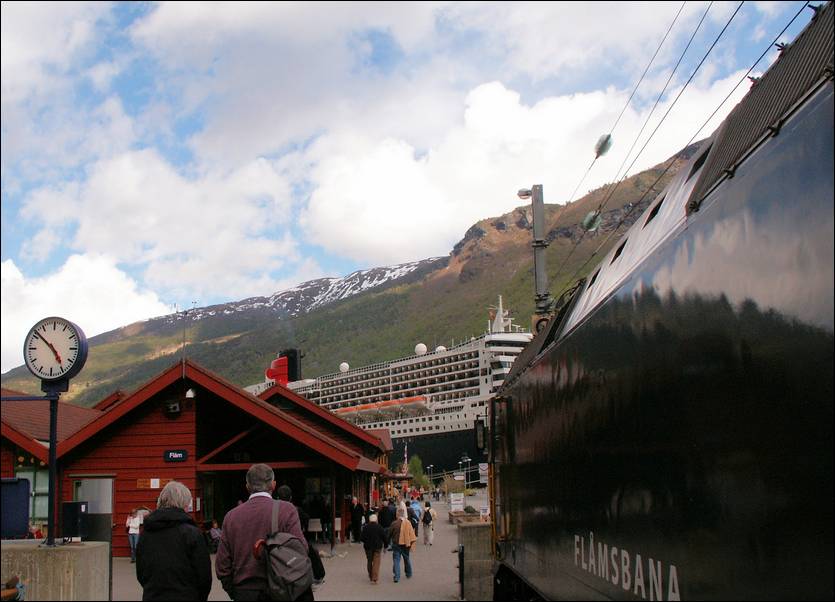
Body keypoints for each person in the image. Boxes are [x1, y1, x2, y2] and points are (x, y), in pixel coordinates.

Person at [215, 464, 311, 601]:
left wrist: (235, 592)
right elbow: (302, 548)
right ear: (273, 485)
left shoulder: (231, 517)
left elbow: (222, 565)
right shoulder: (287, 510)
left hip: (244, 591)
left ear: (247, 487)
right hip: (281, 588)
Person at [135, 481, 211, 601]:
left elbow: (141, 573)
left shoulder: (146, 533)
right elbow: (204, 576)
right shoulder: (192, 533)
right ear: (184, 504)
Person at [277, 485, 326, 589]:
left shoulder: (274, 509)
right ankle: (315, 578)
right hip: (293, 539)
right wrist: (303, 527)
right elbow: (306, 518)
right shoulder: (294, 509)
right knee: (310, 553)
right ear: (290, 497)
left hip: (278, 541)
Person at [387, 507, 416, 583]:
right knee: (406, 559)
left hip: (396, 544)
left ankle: (397, 576)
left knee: (396, 560)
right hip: (406, 544)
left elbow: (389, 534)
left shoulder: (394, 523)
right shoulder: (408, 523)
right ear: (403, 515)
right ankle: (409, 573)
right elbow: (412, 534)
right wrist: (411, 543)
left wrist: (387, 542)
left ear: (397, 515)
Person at [359, 513, 388, 584]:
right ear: (376, 520)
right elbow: (385, 538)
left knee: (369, 561)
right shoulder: (379, 527)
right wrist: (385, 546)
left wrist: (366, 541)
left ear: (369, 520)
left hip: (368, 547)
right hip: (377, 547)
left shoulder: (365, 527)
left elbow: (361, 538)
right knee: (376, 562)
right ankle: (374, 578)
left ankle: (370, 575)